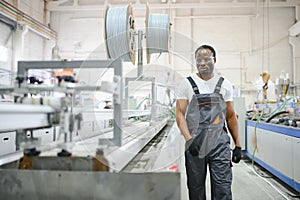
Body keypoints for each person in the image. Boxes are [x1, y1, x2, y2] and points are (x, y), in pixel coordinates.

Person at [176, 44, 242, 200]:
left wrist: (238, 144)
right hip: (195, 143)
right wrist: (189, 139)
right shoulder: (187, 83)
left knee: (222, 187)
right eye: (199, 60)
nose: (202, 63)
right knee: (196, 188)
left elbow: (231, 116)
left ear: (215, 60)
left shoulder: (224, 84)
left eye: (206, 59)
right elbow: (179, 114)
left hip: (219, 143)